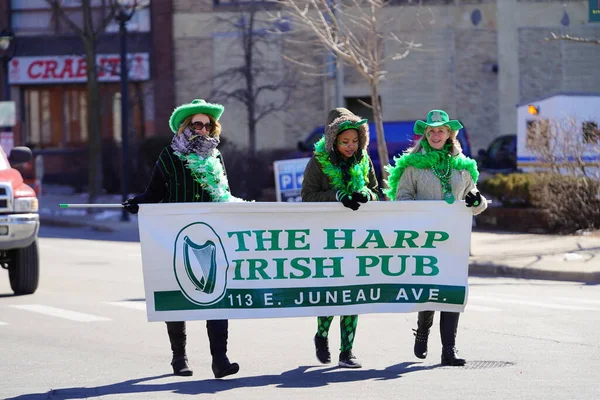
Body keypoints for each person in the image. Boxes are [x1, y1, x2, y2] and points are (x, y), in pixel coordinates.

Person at [122, 99, 242, 378]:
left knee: (217, 294)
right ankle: (179, 357)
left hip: (212, 236)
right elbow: (154, 194)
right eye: (196, 124)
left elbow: (223, 195)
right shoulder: (169, 156)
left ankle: (220, 359)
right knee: (177, 295)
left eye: (207, 124)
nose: (202, 129)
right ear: (185, 126)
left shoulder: (215, 156)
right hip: (176, 236)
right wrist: (136, 202)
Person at [384, 109, 487, 366]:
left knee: (452, 292)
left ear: (450, 134)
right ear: (426, 135)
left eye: (441, 130)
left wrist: (477, 200)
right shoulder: (413, 166)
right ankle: (422, 332)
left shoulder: (462, 166)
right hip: (424, 240)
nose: (436, 135)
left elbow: (474, 200)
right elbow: (403, 197)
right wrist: (420, 215)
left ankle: (449, 350)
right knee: (429, 293)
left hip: (454, 242)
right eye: (431, 131)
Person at [301, 107, 379, 368]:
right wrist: (338, 197)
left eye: (355, 141)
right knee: (332, 292)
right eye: (345, 142)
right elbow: (307, 196)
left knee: (353, 293)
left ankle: (347, 351)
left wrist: (367, 195)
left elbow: (377, 192)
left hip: (358, 237)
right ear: (333, 140)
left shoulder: (364, 161)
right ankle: (322, 336)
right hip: (326, 237)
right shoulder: (317, 162)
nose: (350, 146)